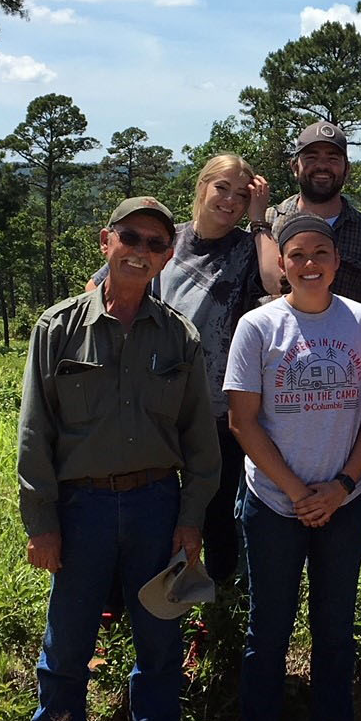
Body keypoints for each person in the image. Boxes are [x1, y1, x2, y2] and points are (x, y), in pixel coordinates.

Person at [17, 197, 220, 721]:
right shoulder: (56, 329)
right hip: (82, 513)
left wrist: (191, 523)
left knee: (159, 652)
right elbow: (34, 435)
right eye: (129, 236)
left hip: (158, 508)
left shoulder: (178, 336)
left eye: (156, 243)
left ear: (166, 257)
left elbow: (201, 445)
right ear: (105, 241)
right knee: (66, 650)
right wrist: (41, 522)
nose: (141, 249)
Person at [224, 213, 361, 721]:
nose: (309, 263)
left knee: (335, 632)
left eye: (320, 252)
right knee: (267, 632)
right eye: (297, 254)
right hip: (273, 504)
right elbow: (243, 421)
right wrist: (298, 491)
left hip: (345, 504)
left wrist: (342, 484)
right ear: (284, 264)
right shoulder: (258, 326)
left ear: (336, 261)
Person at [150, 154, 269, 594]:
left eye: (242, 195)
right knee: (156, 509)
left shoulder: (246, 250)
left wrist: (259, 221)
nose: (231, 201)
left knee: (216, 512)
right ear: (201, 187)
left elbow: (277, 282)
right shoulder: (165, 241)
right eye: (223, 188)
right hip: (154, 405)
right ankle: (150, 599)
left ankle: (216, 602)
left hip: (216, 409)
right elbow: (102, 287)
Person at [255, 120, 361, 349]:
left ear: (347, 168)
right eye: (311, 158)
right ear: (295, 166)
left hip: (352, 368)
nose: (322, 166)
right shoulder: (268, 223)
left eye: (333, 159)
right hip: (277, 367)